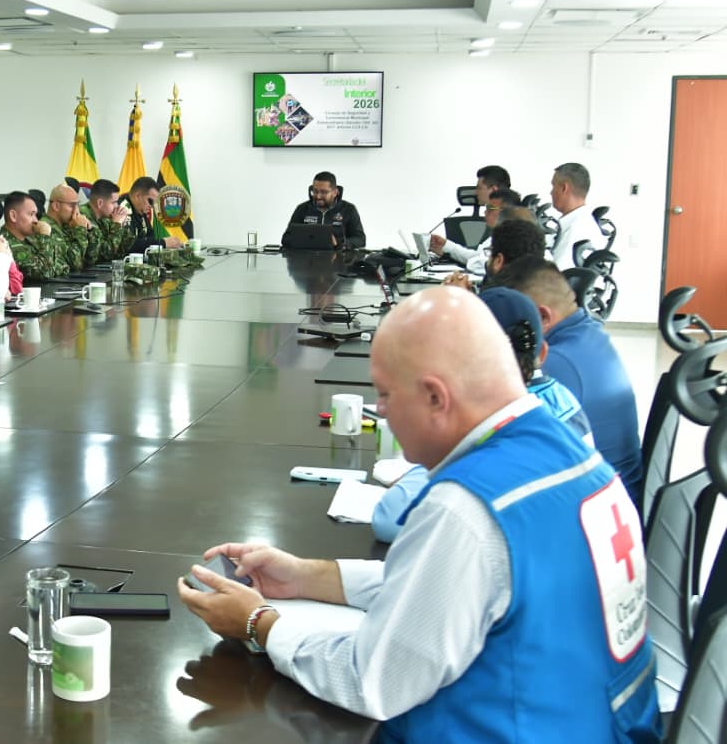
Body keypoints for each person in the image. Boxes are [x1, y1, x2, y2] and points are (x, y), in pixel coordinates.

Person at [177, 286, 658, 738]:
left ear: (435, 397)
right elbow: (448, 590)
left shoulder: (466, 507)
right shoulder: (567, 452)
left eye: (385, 394)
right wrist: (305, 576)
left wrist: (257, 623)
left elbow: (373, 681)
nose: (380, 411)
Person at [371, 286, 592, 542]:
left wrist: (426, 467)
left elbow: (390, 520)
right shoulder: (562, 400)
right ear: (542, 352)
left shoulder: (499, 424)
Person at [486, 256, 643, 505]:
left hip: (593, 510)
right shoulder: (588, 336)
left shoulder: (556, 365)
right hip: (611, 499)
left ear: (542, 317)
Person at [430, 188, 521, 272]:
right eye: (486, 208)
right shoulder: (497, 235)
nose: (485, 212)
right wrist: (445, 245)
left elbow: (480, 264)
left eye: (491, 208)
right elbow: (476, 256)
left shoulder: (513, 238)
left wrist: (472, 262)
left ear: (508, 211)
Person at [281, 172, 366, 249]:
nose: (318, 196)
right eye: (315, 191)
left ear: (335, 192)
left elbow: (360, 239)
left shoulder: (349, 209)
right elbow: (286, 239)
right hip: (307, 261)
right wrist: (305, 240)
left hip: (338, 260)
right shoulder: (302, 209)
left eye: (324, 192)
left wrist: (341, 243)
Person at [549, 162, 606, 269]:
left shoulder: (575, 231)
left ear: (564, 188)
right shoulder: (582, 223)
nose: (551, 192)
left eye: (553, 186)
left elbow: (555, 277)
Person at [1, 190, 66, 282]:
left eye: (35, 215)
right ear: (13, 216)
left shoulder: (29, 238)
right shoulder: (5, 244)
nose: (35, 220)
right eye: (31, 214)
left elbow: (62, 263)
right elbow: (44, 272)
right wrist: (45, 236)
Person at [120, 176, 181, 253]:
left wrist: (166, 242)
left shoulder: (140, 209)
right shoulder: (121, 209)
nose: (152, 206)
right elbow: (127, 245)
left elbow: (150, 235)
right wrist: (162, 243)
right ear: (138, 196)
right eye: (150, 201)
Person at [42, 183, 94, 271]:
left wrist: (89, 229)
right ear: (56, 206)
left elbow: (92, 258)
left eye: (78, 205)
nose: (77, 211)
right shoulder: (46, 228)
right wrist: (80, 230)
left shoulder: (68, 224)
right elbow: (74, 264)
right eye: (72, 205)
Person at [80, 178, 133, 263]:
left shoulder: (105, 219)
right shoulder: (83, 216)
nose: (117, 206)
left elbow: (122, 251)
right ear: (100, 203)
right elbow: (105, 255)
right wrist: (116, 225)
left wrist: (123, 225)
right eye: (114, 202)